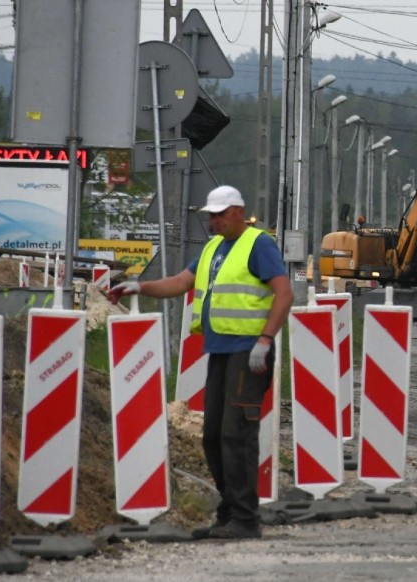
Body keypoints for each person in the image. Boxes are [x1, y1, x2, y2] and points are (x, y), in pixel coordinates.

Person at [107, 185, 293, 540]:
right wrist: (139, 287)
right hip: (221, 350)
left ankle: (245, 518)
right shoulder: (213, 249)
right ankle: (229, 511)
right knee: (212, 437)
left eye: (220, 214)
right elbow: (180, 283)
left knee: (235, 434)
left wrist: (265, 340)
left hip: (248, 352)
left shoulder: (258, 245)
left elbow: (284, 293)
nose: (213, 220)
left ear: (239, 211)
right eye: (211, 215)